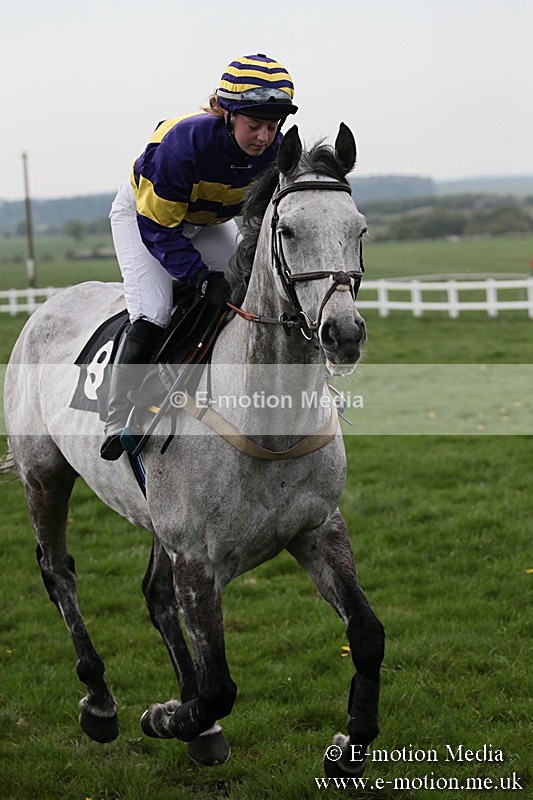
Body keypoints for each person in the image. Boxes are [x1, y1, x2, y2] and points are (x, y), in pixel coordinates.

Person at [100, 53, 298, 460]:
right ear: (227, 113)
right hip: (146, 218)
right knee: (154, 310)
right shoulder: (181, 145)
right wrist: (201, 276)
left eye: (273, 126)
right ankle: (119, 413)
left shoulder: (274, 152)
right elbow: (160, 230)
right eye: (254, 125)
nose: (264, 137)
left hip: (207, 220)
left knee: (247, 294)